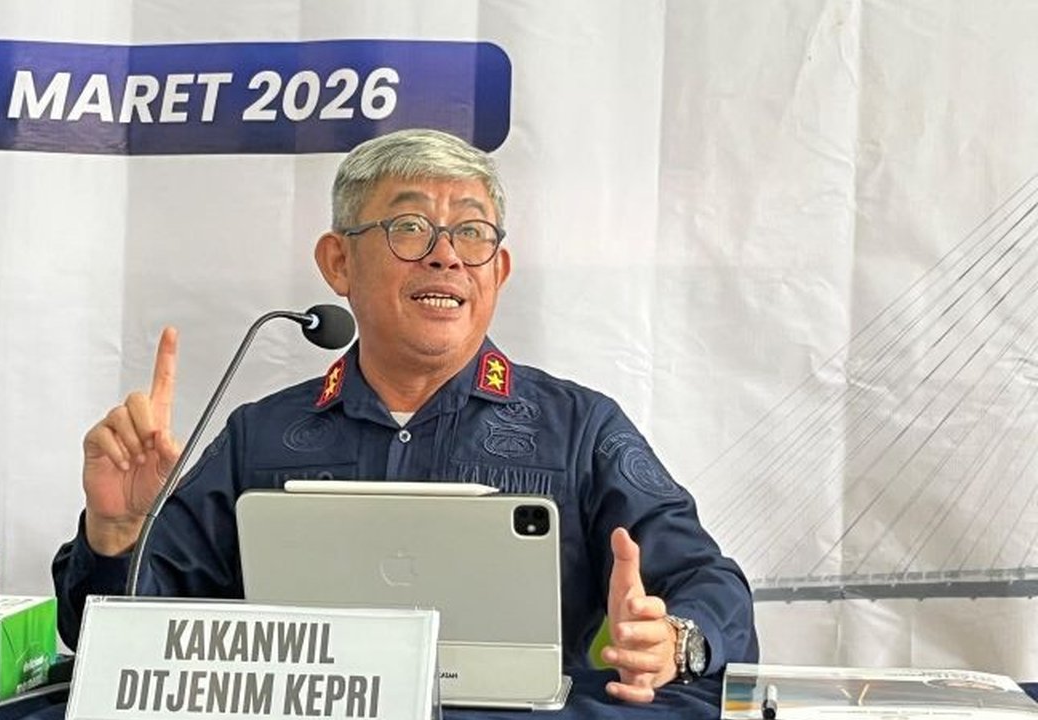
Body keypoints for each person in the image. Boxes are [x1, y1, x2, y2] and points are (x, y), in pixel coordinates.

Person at [52, 128, 758, 703]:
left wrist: (677, 641)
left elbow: (711, 584)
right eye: (410, 227)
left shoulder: (579, 430)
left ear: (498, 271)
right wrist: (116, 535)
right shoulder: (259, 437)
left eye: (472, 233)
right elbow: (123, 643)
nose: (446, 257)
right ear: (338, 262)